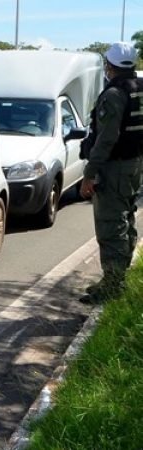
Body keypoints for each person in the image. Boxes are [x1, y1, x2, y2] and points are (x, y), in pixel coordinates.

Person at [79, 42, 143, 304]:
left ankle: (113, 286)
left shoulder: (114, 94)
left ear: (110, 66)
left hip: (115, 167)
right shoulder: (139, 88)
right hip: (134, 164)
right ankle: (115, 279)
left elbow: (106, 139)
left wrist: (89, 173)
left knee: (111, 225)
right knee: (125, 219)